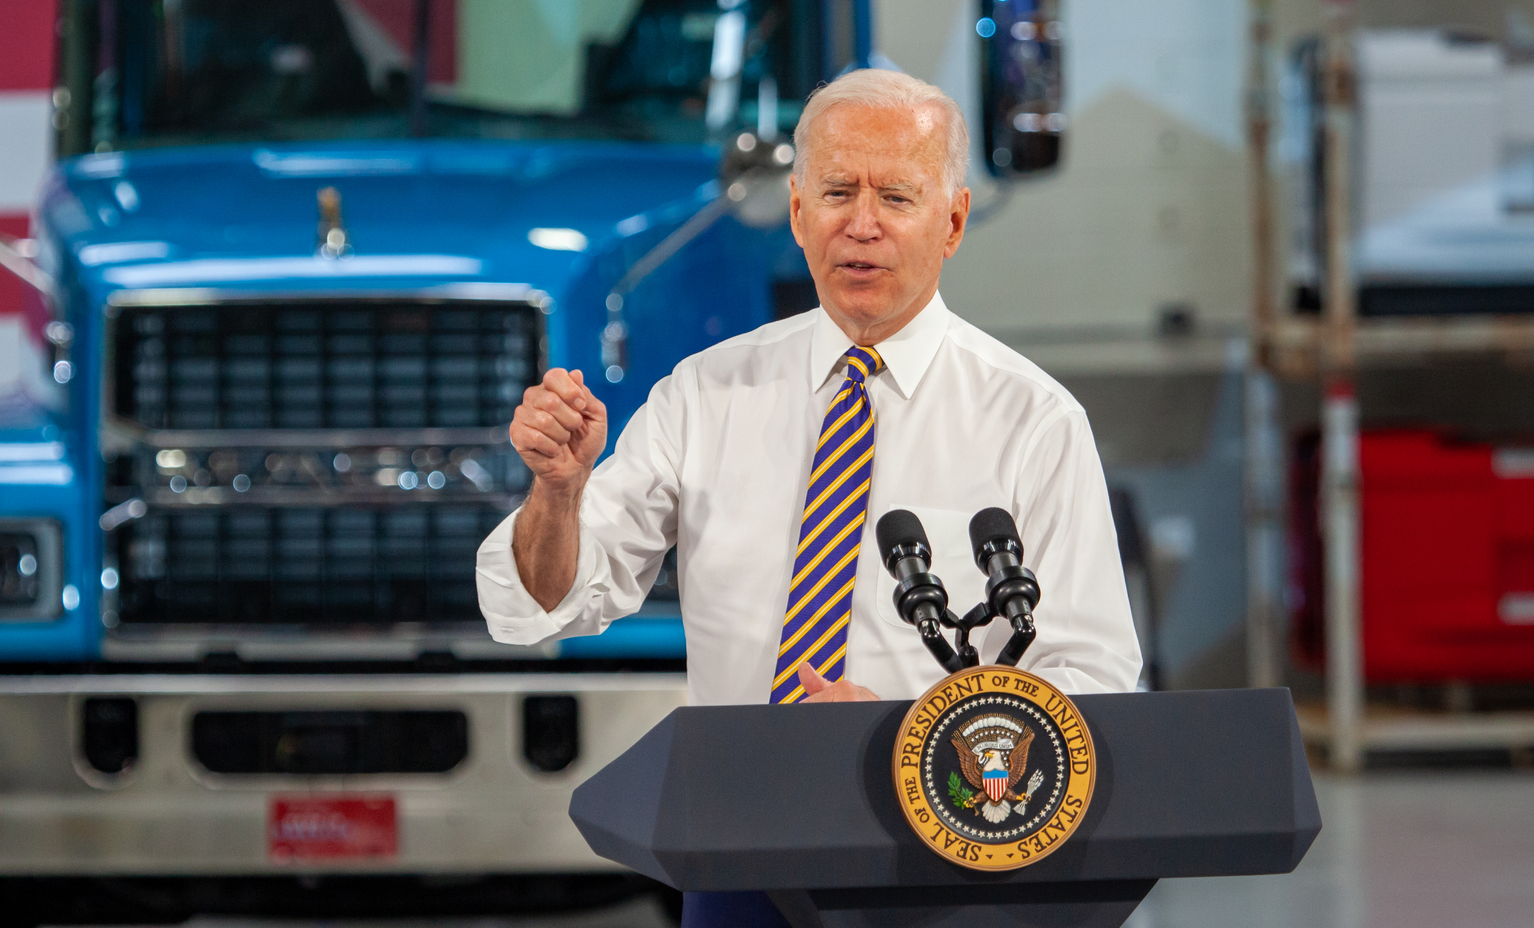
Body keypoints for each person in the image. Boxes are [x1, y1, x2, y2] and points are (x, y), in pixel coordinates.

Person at [477, 67, 1140, 927]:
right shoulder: (702, 395)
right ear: (796, 212)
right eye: (836, 191)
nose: (860, 224)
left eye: (895, 195)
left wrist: (912, 734)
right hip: (739, 852)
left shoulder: (1034, 420)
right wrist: (558, 495)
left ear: (953, 220)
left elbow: (1095, 683)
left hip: (950, 861)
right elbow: (548, 602)